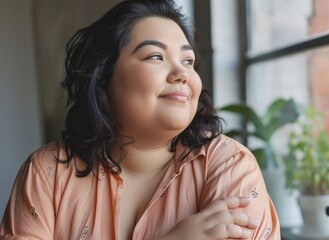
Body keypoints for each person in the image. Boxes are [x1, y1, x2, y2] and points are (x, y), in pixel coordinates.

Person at [0, 0, 280, 239]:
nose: (182, 74)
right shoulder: (47, 174)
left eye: (187, 61)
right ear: (103, 77)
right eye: (155, 56)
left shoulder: (228, 165)